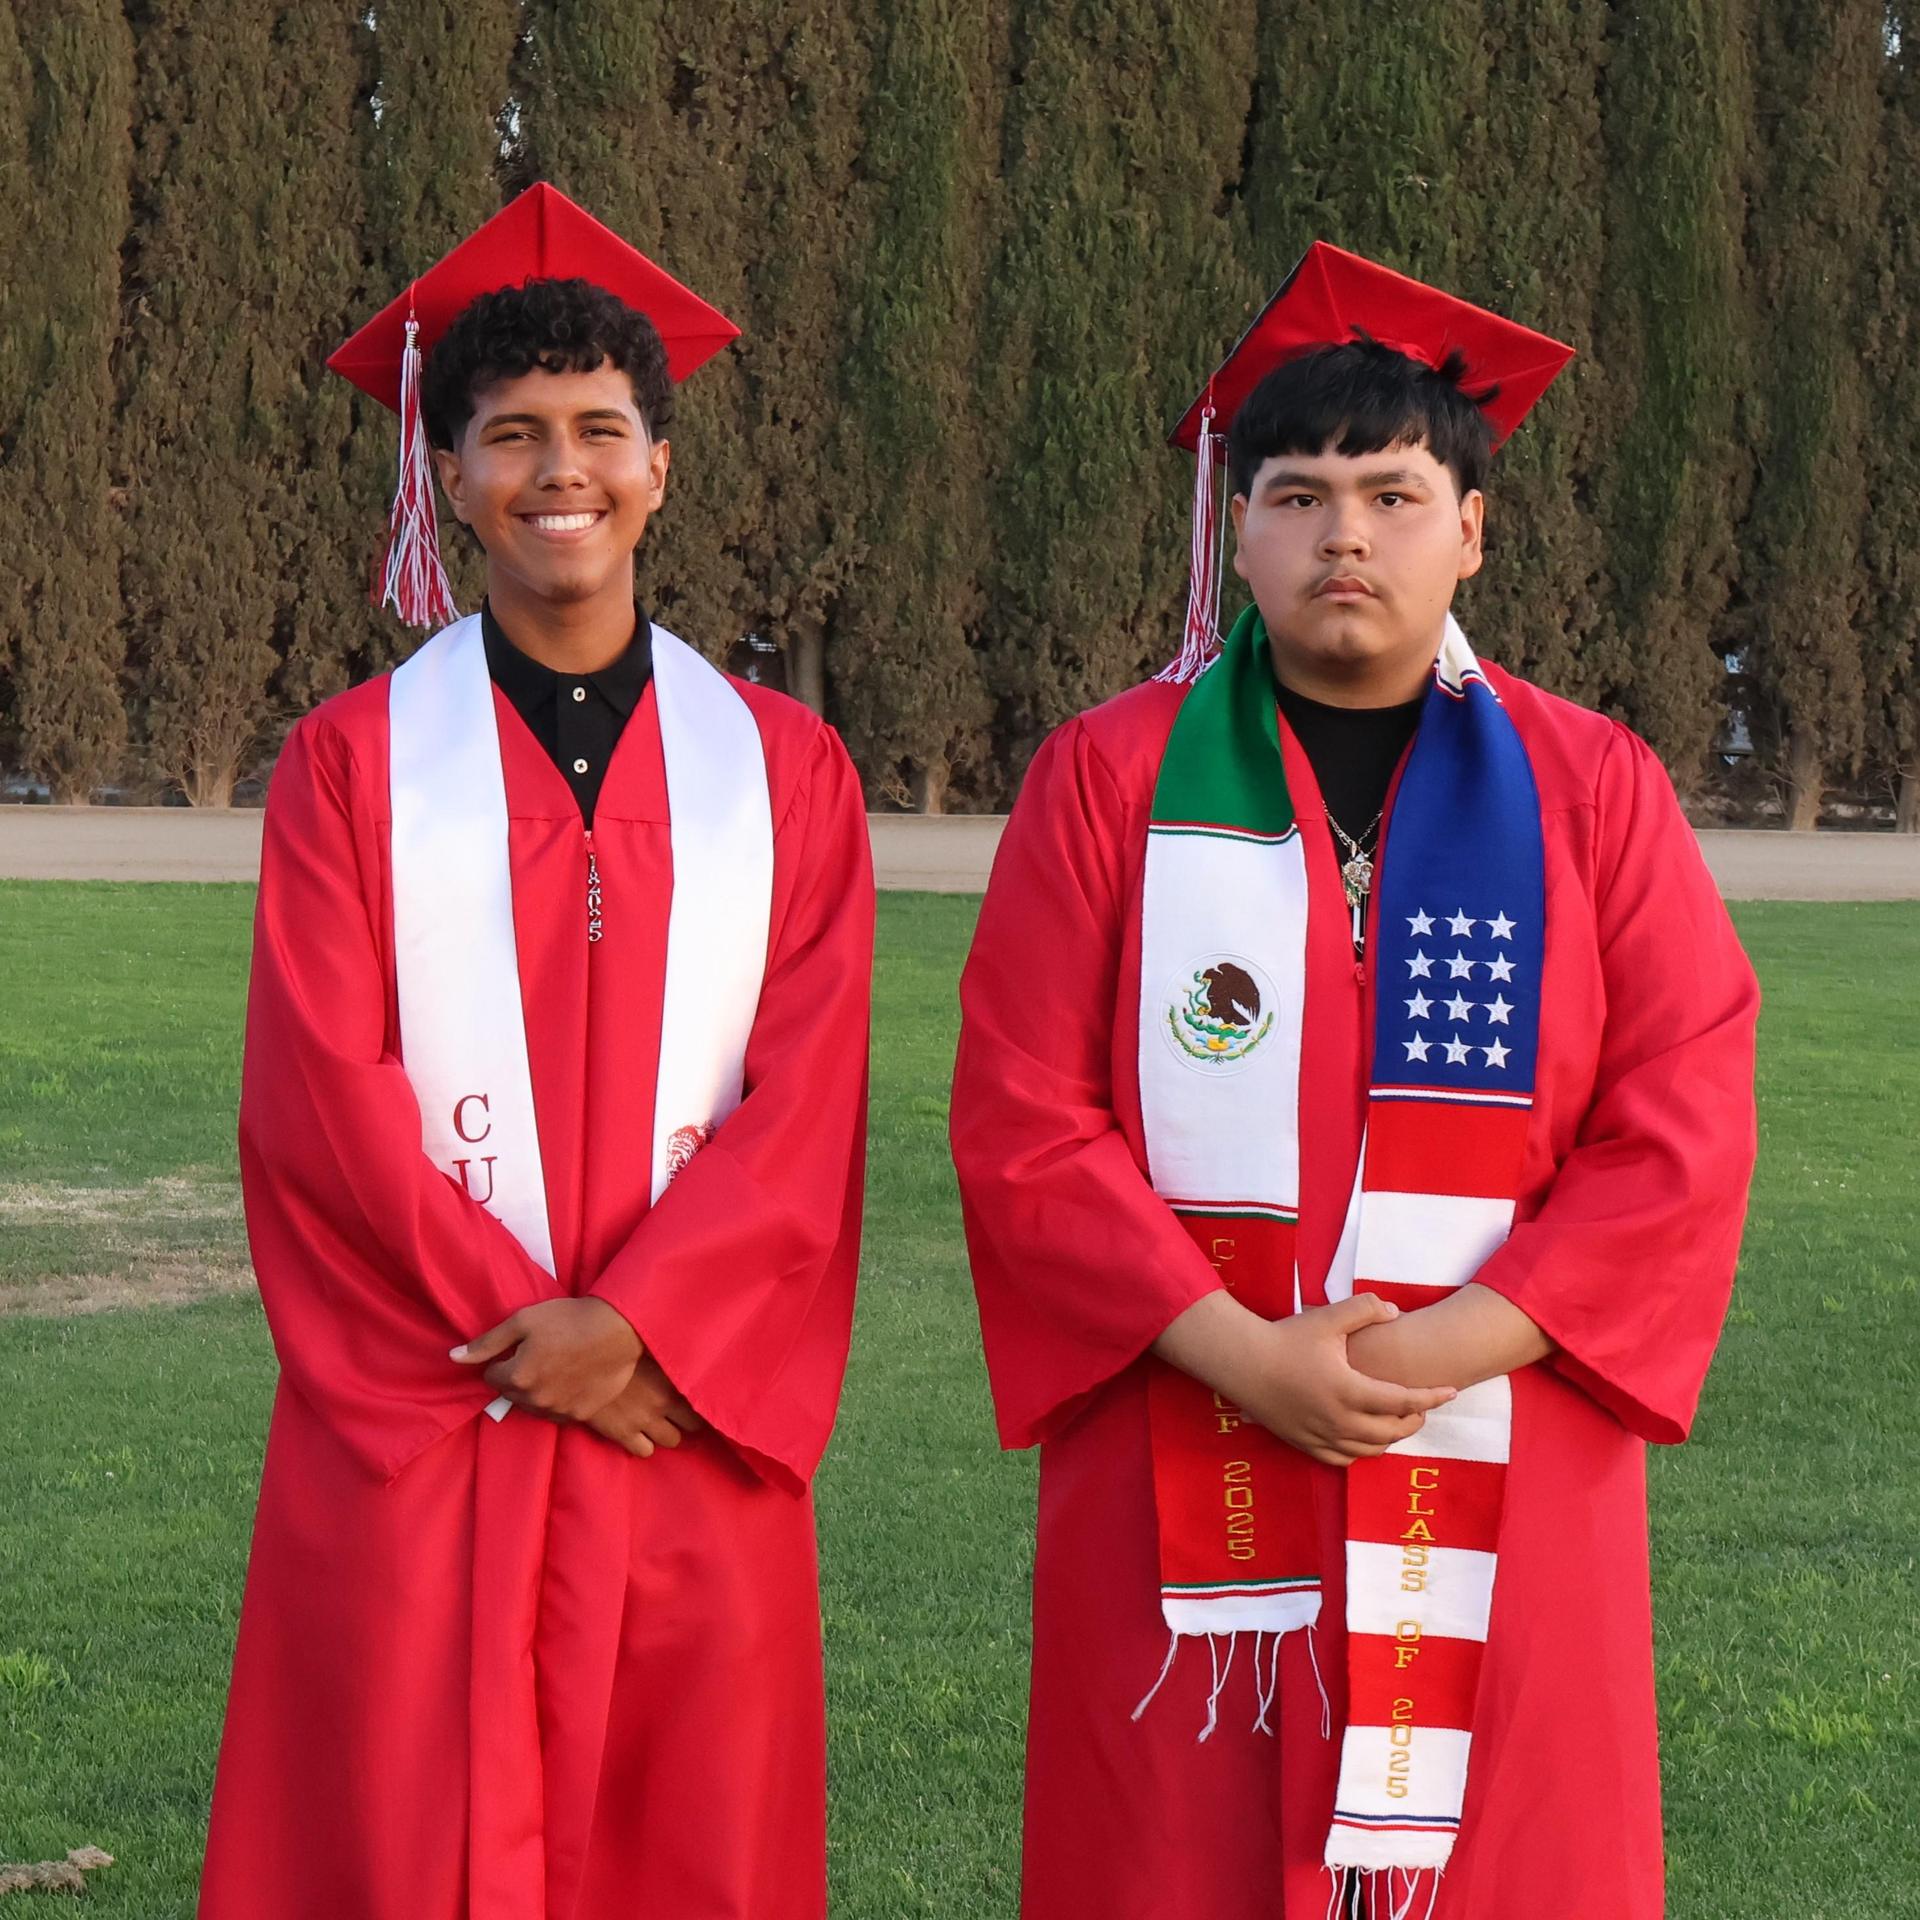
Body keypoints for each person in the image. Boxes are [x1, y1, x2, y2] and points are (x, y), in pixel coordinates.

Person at [950, 243, 1758, 1920]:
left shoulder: (1591, 789)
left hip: (1505, 1438)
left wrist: (1434, 1349)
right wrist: (1245, 1353)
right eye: (1299, 493)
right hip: (1191, 1440)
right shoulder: (1106, 784)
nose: (1346, 536)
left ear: (1473, 527)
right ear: (1233, 527)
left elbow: (1679, 1120)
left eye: (1396, 495)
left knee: (1506, 1850)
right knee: (1175, 1855)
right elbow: (1026, 1121)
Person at [198, 183, 873, 1920]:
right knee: (402, 1833)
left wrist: (642, 1334)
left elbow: (805, 1116)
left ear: (660, 467)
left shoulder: (785, 774)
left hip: (677, 1421)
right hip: (436, 1418)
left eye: (597, 430)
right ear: (450, 476)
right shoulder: (351, 768)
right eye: (511, 434)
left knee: (685, 1838)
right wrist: (528, 1341)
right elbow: (319, 1108)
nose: (557, 469)